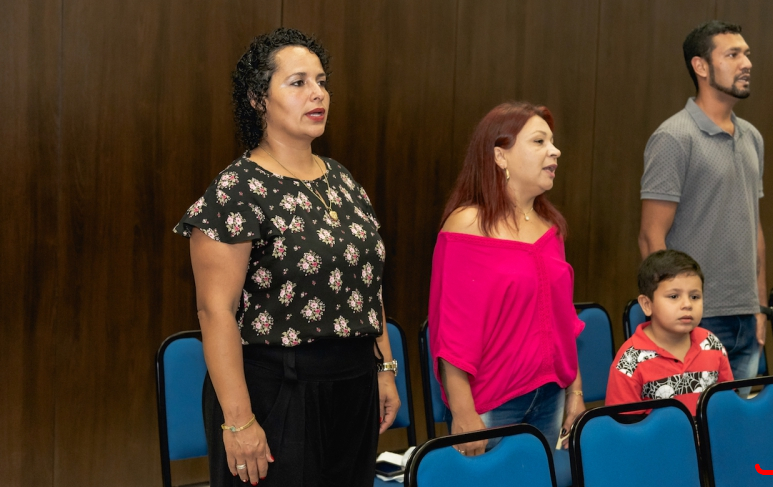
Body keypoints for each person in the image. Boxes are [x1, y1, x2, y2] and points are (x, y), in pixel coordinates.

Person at [174, 28, 400, 487]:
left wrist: (384, 369)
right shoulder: (236, 190)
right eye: (298, 82)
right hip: (276, 391)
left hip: (354, 384)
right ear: (258, 99)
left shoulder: (342, 180)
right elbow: (215, 311)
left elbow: (367, 287)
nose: (318, 94)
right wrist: (239, 422)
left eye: (321, 82)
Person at [428, 101, 585, 456]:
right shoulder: (467, 225)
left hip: (551, 397)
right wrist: (463, 413)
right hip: (492, 404)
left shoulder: (550, 229)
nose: (555, 151)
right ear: (500, 156)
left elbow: (563, 323)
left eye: (552, 142)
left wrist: (575, 392)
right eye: (539, 141)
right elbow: (451, 333)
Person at [639, 20, 766, 388]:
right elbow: (650, 237)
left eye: (746, 54)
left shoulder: (752, 137)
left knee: (735, 422)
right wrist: (673, 320)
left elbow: (754, 228)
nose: (747, 63)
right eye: (733, 54)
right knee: (694, 423)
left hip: (747, 317)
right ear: (701, 66)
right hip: (696, 319)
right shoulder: (673, 137)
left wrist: (760, 308)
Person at [606, 250, 733, 415]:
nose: (687, 304)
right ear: (647, 304)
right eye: (674, 296)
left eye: (695, 297)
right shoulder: (629, 362)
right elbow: (624, 426)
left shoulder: (711, 344)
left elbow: (728, 406)